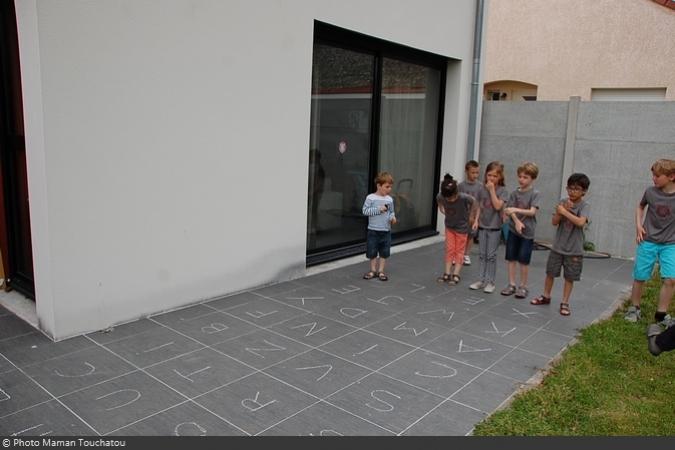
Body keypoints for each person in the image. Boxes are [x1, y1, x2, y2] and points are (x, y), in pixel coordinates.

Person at [530, 173, 591, 316]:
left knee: (569, 277)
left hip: (574, 249)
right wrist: (560, 211)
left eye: (576, 189)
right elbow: (554, 222)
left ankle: (565, 302)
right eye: (570, 188)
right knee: (550, 272)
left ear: (584, 191)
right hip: (558, 246)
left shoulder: (585, 205)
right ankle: (546, 296)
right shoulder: (563, 201)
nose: (572, 192)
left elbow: (581, 222)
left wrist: (566, 211)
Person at [624, 159, 675, 327]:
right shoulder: (650, 192)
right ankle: (634, 308)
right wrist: (639, 226)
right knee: (640, 276)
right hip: (648, 241)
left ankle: (661, 314)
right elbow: (640, 207)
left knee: (670, 279)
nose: (653, 178)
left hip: (670, 244)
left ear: (671, 177)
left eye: (657, 176)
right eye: (653, 175)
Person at [501, 161, 540, 299]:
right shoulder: (513, 193)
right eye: (520, 176)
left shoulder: (535, 193)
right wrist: (516, 221)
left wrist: (516, 210)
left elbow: (532, 212)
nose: (522, 180)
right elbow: (508, 210)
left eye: (526, 177)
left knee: (524, 260)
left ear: (532, 178)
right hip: (513, 230)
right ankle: (511, 284)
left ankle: (523, 286)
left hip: (527, 233)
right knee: (511, 258)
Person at [469, 161, 508, 293]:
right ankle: (481, 280)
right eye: (489, 175)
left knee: (491, 255)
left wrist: (492, 190)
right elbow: (479, 205)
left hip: (495, 227)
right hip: (483, 225)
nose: (491, 178)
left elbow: (498, 206)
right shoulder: (481, 189)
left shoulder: (503, 191)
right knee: (481, 254)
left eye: (494, 176)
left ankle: (491, 282)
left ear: (500, 177)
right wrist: (476, 220)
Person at [436, 174, 478, 285]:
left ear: (456, 193)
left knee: (459, 251)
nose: (449, 200)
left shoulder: (464, 197)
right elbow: (438, 199)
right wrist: (441, 208)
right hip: (449, 226)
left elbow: (474, 202)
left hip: (462, 228)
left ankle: (456, 274)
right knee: (449, 249)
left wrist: (472, 216)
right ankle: (447, 273)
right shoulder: (442, 196)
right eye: (447, 198)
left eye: (451, 198)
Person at [362, 171, 398, 281]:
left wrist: (393, 218)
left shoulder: (389, 199)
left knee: (384, 251)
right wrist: (378, 209)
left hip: (386, 230)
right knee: (372, 251)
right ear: (379, 185)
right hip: (373, 230)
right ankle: (373, 270)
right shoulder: (370, 198)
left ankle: (381, 271)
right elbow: (365, 211)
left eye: (390, 187)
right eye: (387, 187)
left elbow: (391, 212)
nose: (389, 189)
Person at [459, 160, 482, 265]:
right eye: (473, 172)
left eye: (477, 172)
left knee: (471, 235)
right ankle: (458, 254)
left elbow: (480, 202)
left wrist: (476, 217)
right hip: (463, 215)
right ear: (466, 171)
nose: (475, 175)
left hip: (474, 216)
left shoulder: (480, 186)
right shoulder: (461, 186)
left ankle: (466, 255)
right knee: (460, 235)